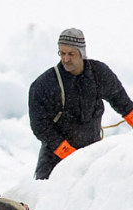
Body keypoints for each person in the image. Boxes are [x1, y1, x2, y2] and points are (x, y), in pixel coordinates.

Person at [28, 28, 133, 180]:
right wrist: (70, 156)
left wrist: (84, 159)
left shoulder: (99, 73)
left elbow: (124, 105)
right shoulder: (44, 84)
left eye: (71, 54)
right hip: (55, 163)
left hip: (92, 157)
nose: (66, 59)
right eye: (62, 53)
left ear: (82, 53)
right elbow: (40, 126)